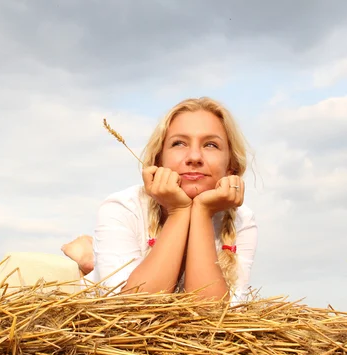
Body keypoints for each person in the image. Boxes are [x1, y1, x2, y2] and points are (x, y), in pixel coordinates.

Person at [62, 97, 258, 304]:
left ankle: (91, 259)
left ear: (231, 167)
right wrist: (179, 210)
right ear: (158, 160)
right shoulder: (123, 207)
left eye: (210, 145)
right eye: (179, 143)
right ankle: (90, 263)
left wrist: (201, 212)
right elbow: (132, 310)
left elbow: (212, 316)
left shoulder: (243, 221)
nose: (194, 157)